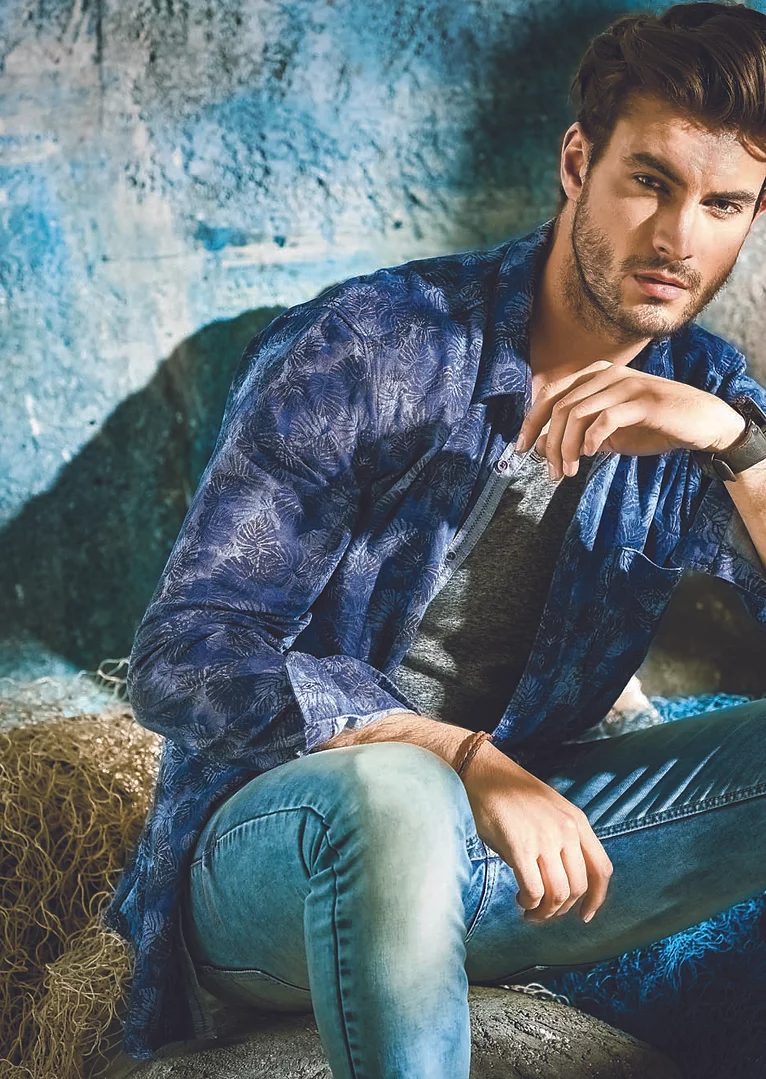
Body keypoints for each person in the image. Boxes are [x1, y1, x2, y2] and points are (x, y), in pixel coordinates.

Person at [102, 2, 766, 1072]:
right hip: (285, 855)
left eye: (724, 203)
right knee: (403, 791)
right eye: (650, 181)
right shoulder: (372, 345)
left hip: (510, 864)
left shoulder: (698, 391)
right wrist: (460, 756)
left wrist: (739, 445)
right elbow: (184, 657)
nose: (678, 238)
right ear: (577, 163)